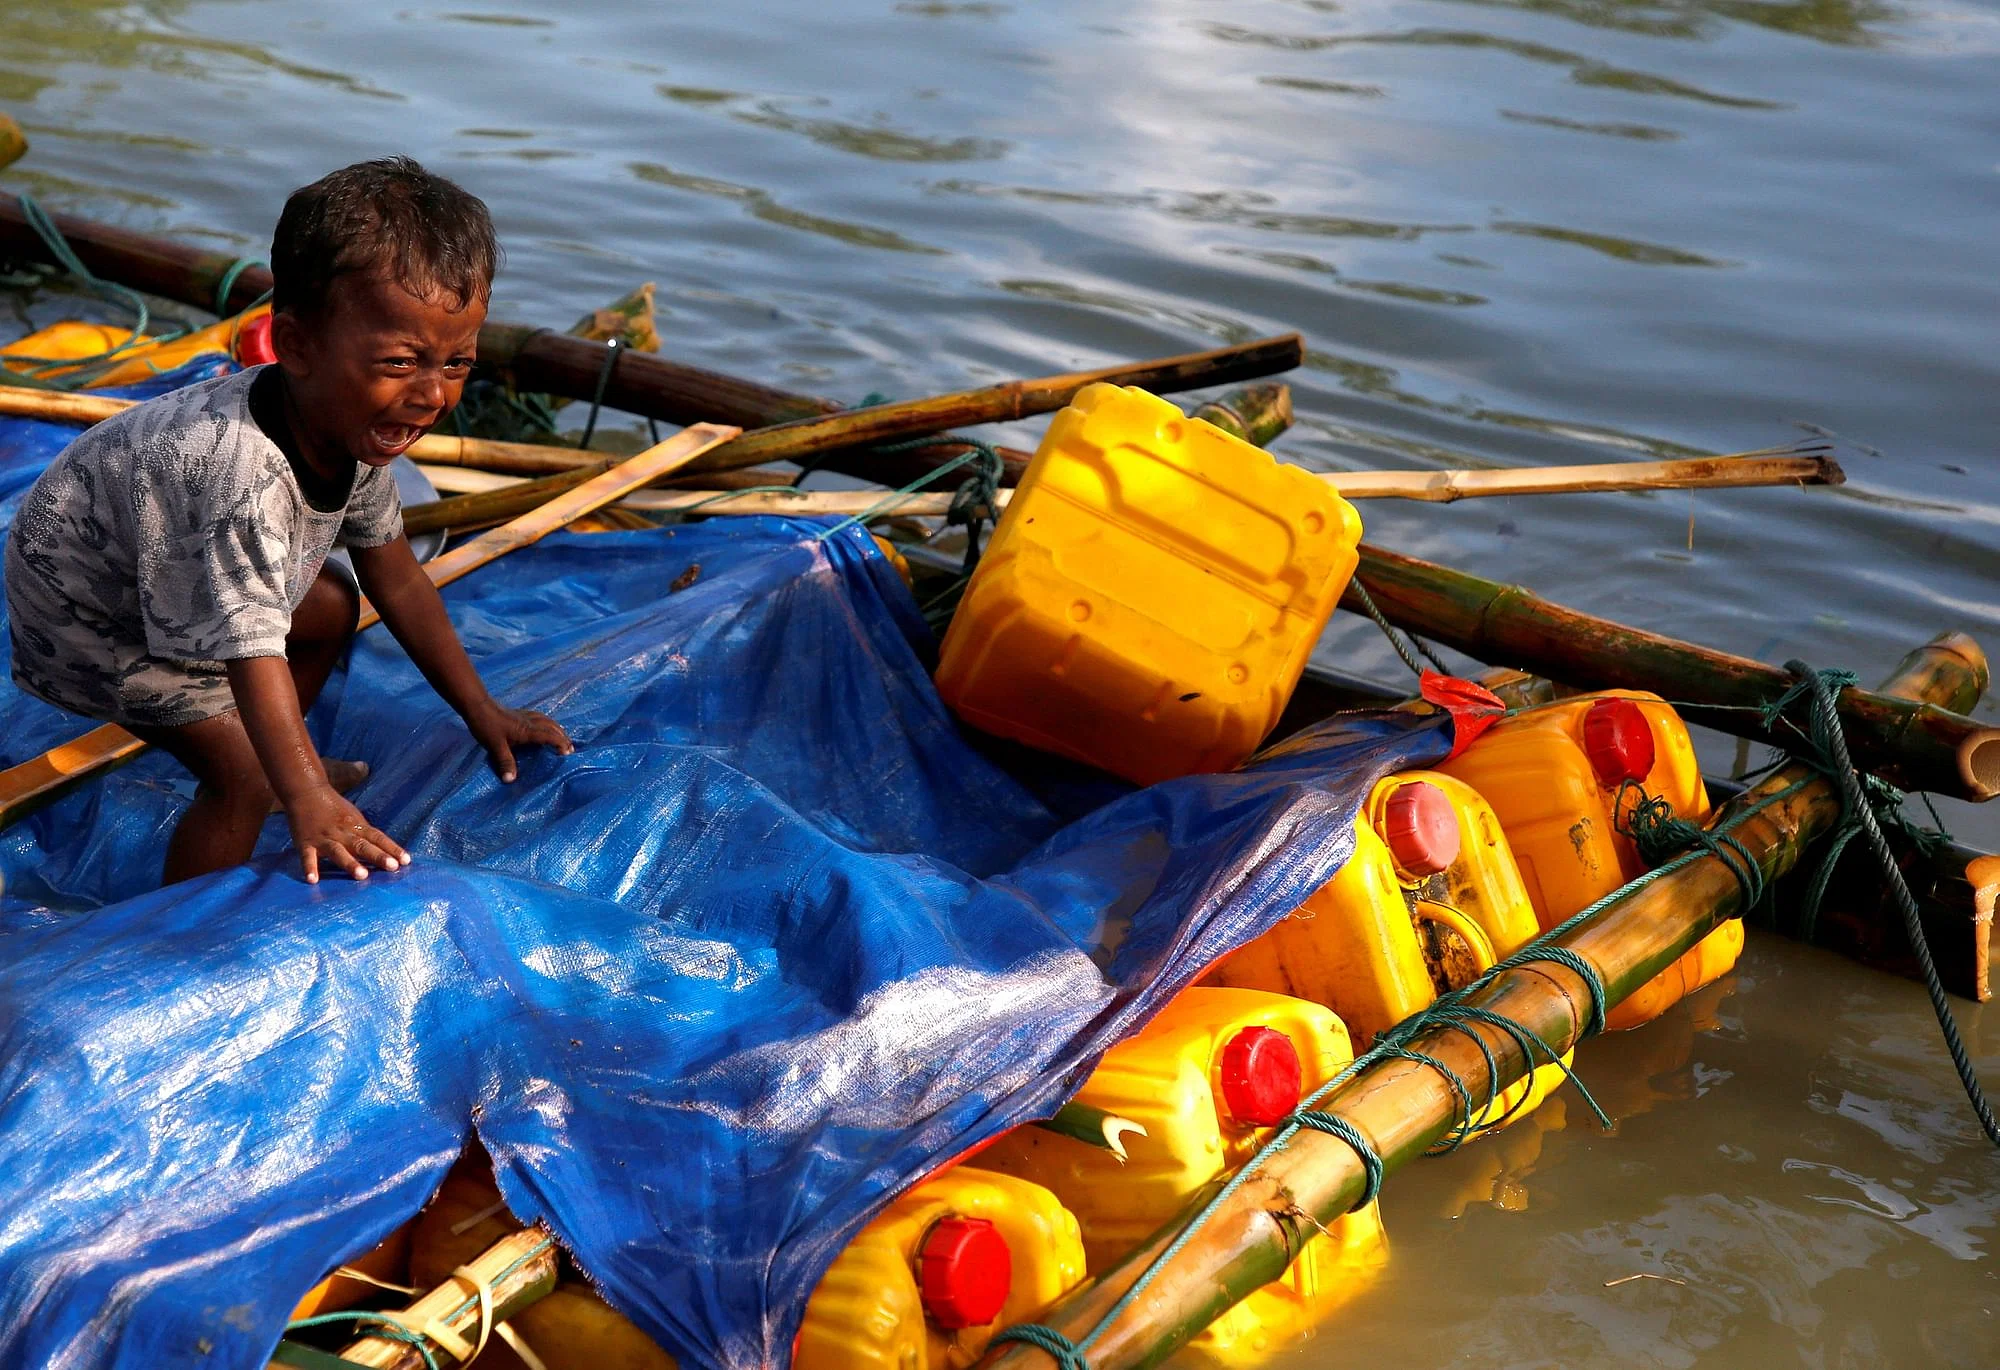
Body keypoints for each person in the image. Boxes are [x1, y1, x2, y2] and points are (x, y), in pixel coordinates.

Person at [3, 156, 572, 886]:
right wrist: (309, 795)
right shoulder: (243, 480)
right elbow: (252, 652)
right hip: (89, 616)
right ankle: (186, 917)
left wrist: (482, 710)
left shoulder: (348, 423)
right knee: (239, 777)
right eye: (402, 363)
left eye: (457, 364)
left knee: (332, 604)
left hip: (170, 578)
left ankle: (281, 763)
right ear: (296, 346)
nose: (433, 396)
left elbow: (397, 578)